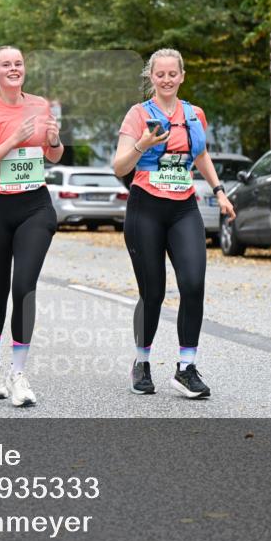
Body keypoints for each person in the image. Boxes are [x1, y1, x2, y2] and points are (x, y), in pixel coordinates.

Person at [113, 48, 235, 399]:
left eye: (172, 74)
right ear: (151, 77)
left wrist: (219, 190)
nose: (166, 79)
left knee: (193, 284)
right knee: (152, 293)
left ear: (182, 76)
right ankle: (142, 362)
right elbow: (120, 167)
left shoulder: (194, 114)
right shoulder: (138, 115)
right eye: (160, 74)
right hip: (145, 209)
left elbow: (200, 154)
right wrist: (141, 144)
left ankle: (186, 368)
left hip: (183, 208)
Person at [0, 45, 64, 407]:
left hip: (34, 205)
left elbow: (53, 154)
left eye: (18, 63)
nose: (13, 68)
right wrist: (12, 140)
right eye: (6, 64)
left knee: (24, 286)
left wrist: (53, 141)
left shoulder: (40, 105)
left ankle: (19, 373)